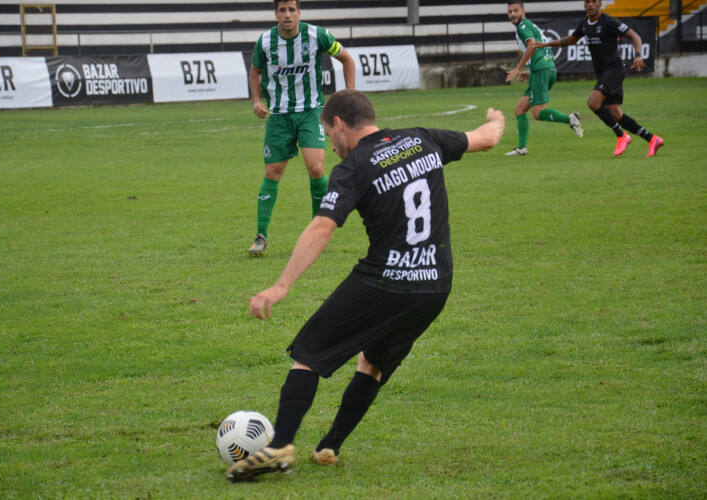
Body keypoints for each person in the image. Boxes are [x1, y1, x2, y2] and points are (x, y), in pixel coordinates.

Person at [226, 89, 505, 482]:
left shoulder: (355, 165)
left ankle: (279, 446)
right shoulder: (423, 138)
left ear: (339, 124)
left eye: (327, 133)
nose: (330, 144)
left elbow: (323, 226)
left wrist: (281, 285)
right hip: (435, 284)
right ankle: (329, 446)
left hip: (385, 278)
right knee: (372, 362)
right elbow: (487, 138)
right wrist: (497, 120)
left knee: (308, 352)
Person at [247, 0, 356, 256]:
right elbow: (255, 72)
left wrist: (350, 96)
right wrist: (255, 100)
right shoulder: (264, 42)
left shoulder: (317, 35)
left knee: (316, 168)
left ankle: (317, 233)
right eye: (282, 10)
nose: (287, 15)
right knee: (272, 172)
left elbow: (347, 60)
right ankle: (261, 236)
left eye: (292, 10)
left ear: (299, 13)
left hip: (311, 112)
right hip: (279, 116)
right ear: (276, 13)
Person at [535, 0, 664, 157]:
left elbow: (634, 36)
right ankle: (652, 139)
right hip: (604, 73)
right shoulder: (584, 24)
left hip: (615, 69)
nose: (590, 4)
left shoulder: (609, 21)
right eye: (587, 2)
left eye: (594, 1)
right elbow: (568, 40)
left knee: (593, 102)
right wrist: (546, 44)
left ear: (600, 4)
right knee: (616, 114)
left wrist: (638, 55)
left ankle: (621, 136)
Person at [504, 0, 583, 156]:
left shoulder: (523, 27)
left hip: (541, 70)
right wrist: (530, 71)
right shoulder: (530, 25)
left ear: (523, 12)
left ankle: (570, 119)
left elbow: (532, 46)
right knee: (520, 109)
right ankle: (521, 148)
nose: (512, 14)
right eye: (510, 12)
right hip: (546, 68)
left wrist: (518, 68)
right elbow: (538, 48)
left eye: (516, 11)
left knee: (538, 112)